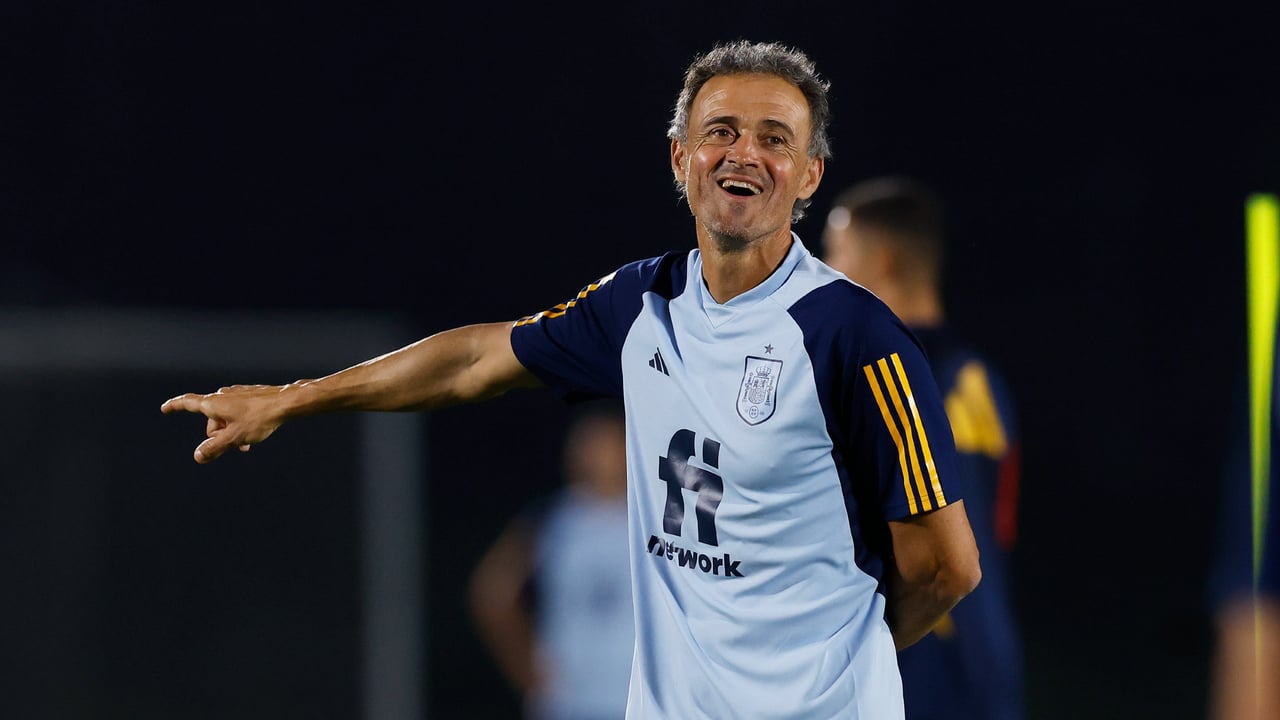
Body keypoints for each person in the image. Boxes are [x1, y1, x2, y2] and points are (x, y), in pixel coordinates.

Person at [162, 39, 982, 718]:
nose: (745, 154)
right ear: (681, 158)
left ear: (808, 175)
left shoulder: (855, 337)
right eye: (721, 131)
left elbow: (947, 568)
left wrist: (833, 665)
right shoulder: (641, 304)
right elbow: (477, 361)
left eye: (775, 139)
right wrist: (295, 398)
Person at [820, 176, 1024, 720]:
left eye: (837, 252)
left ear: (883, 261)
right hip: (980, 661)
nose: (824, 271)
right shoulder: (976, 375)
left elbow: (947, 556)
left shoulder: (902, 380)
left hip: (924, 667)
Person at [467, 401, 634, 720]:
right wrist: (532, 677)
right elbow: (493, 594)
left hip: (638, 701)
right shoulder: (553, 519)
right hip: (570, 702)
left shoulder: (659, 517)